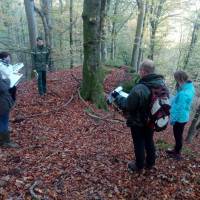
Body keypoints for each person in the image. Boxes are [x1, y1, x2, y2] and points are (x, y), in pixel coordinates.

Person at [112, 59, 167, 172]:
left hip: (138, 121)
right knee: (149, 140)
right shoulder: (161, 84)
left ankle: (139, 165)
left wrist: (117, 97)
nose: (139, 72)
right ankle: (150, 163)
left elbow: (128, 105)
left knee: (139, 143)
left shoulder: (140, 88)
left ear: (143, 71)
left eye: (140, 70)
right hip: (152, 120)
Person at [166, 71, 195, 159]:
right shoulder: (189, 87)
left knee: (178, 135)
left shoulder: (184, 93)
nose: (176, 81)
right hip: (184, 117)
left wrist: (173, 119)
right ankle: (176, 150)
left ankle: (177, 153)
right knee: (178, 135)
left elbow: (179, 108)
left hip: (180, 118)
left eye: (176, 79)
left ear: (180, 79)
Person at [0, 68, 18, 147]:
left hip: (3, 102)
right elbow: (3, 88)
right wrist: (8, 80)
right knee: (4, 122)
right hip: (2, 104)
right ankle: (5, 142)